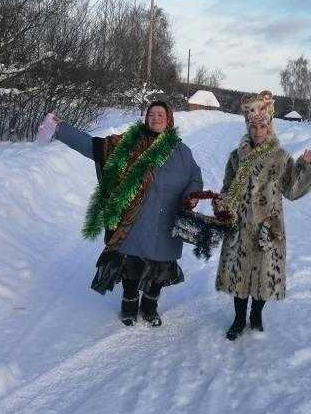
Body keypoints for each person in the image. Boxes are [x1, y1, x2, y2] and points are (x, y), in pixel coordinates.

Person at [38, 101, 203, 327]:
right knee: (131, 268)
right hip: (136, 221)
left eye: (161, 114)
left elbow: (195, 177)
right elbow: (94, 147)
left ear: (169, 119)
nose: (156, 118)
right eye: (152, 114)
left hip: (166, 223)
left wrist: (191, 195)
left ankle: (150, 307)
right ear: (146, 118)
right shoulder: (130, 143)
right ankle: (129, 305)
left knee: (160, 270)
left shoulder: (182, 152)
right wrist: (60, 129)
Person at [214, 91, 311, 340]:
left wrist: (306, 167)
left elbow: (292, 190)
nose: (258, 131)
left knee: (264, 276)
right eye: (253, 126)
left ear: (269, 126)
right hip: (239, 225)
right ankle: (239, 319)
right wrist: (222, 206)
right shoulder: (236, 157)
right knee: (238, 275)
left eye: (263, 125)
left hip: (268, 226)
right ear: (248, 127)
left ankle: (256, 315)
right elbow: (227, 188)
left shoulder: (280, 157)